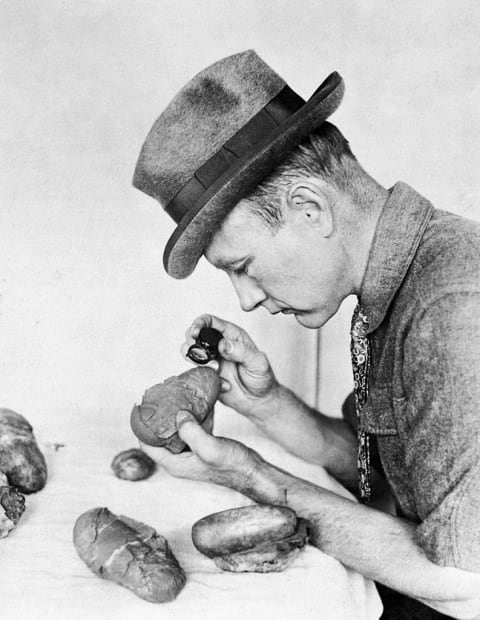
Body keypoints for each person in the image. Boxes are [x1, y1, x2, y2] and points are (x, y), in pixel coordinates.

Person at [132, 50, 480, 619]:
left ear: (310, 209)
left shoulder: (454, 306)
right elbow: (385, 481)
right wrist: (269, 406)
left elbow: (466, 580)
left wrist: (248, 473)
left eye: (241, 264)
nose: (245, 298)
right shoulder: (397, 280)